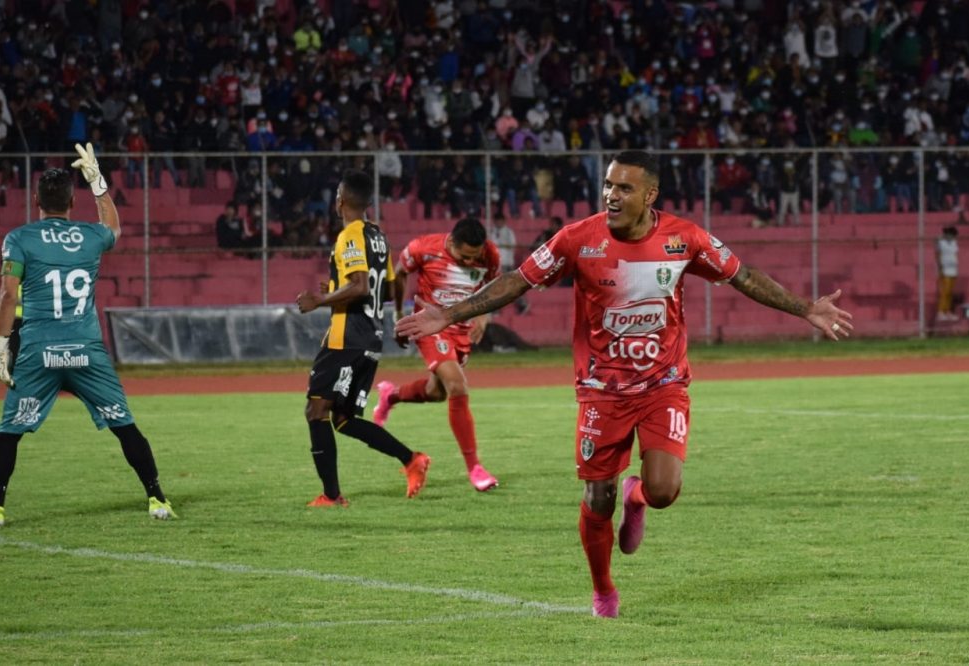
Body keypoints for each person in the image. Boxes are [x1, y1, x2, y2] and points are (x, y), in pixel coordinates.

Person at [396, 150, 854, 618]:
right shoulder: (578, 239)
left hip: (663, 384)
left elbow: (744, 276)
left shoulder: (684, 238)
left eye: (624, 188)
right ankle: (604, 591)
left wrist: (805, 308)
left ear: (650, 195)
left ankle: (638, 496)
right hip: (602, 390)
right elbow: (518, 280)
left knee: (663, 491)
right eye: (608, 185)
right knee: (598, 498)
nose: (611, 196)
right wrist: (448, 314)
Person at [0, 144, 177, 527]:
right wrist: (97, 182)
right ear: (71, 202)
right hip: (85, 350)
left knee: (9, 431)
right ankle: (156, 498)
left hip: (38, 350)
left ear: (36, 201)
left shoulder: (19, 239)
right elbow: (114, 227)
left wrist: (1, 345)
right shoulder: (90, 235)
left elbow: (8, 295)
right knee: (124, 426)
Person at [295, 169, 430, 507]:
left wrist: (319, 300)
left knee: (316, 409)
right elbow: (389, 282)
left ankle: (331, 496)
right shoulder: (377, 235)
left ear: (340, 200)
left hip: (347, 336)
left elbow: (359, 286)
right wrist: (396, 318)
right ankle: (411, 459)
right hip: (371, 336)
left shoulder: (351, 235)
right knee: (342, 419)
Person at [373, 217, 501, 492]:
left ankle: (391, 395)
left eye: (475, 257)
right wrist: (399, 314)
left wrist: (484, 316)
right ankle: (475, 469)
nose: (470, 262)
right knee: (457, 386)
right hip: (431, 325)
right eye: (464, 257)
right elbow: (399, 273)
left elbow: (492, 286)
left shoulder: (490, 254)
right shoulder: (423, 248)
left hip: (462, 330)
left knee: (436, 392)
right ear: (451, 242)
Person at [935, 225, 959, 322]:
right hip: (945, 269)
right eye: (952, 235)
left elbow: (955, 254)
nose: (953, 237)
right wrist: (940, 266)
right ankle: (941, 311)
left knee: (950, 292)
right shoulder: (940, 242)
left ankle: (948, 311)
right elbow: (937, 254)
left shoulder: (954, 242)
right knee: (945, 291)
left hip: (953, 269)